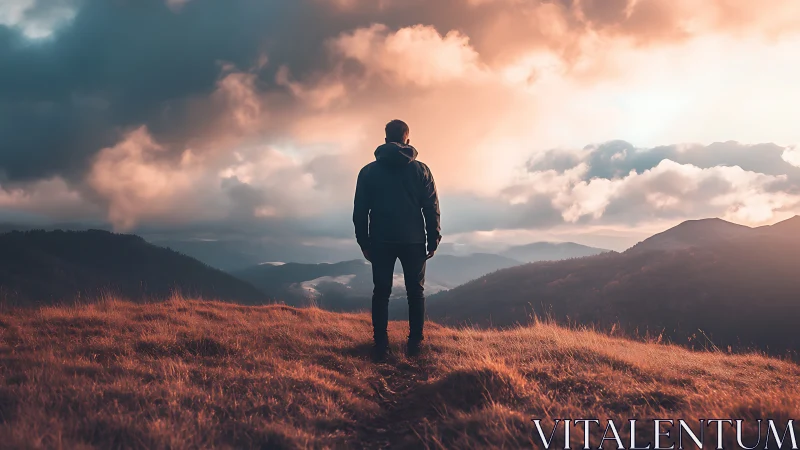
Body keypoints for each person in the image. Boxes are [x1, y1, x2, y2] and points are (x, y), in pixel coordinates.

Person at [353, 119, 441, 360]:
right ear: (407, 139)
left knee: (381, 292)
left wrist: (364, 242)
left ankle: (380, 345)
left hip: (380, 240)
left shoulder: (368, 171)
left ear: (385, 139)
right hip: (413, 240)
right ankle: (415, 345)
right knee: (416, 292)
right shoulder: (422, 170)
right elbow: (430, 207)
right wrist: (433, 239)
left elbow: (360, 211)